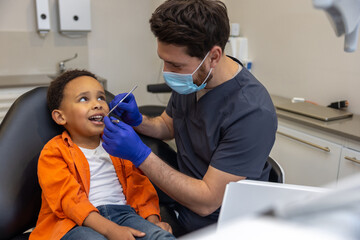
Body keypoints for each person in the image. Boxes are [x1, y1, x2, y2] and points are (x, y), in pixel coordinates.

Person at [102, 0, 277, 235]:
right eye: (163, 60)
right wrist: (138, 120)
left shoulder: (252, 111)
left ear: (213, 56)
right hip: (180, 204)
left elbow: (207, 201)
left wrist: (140, 155)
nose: (167, 71)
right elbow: (167, 125)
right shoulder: (194, 80)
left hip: (219, 224)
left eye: (175, 64)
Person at [29, 70, 175, 240]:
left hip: (125, 215)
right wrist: (110, 230)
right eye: (84, 99)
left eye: (101, 98)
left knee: (160, 237)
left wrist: (153, 222)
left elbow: (140, 187)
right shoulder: (53, 153)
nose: (97, 104)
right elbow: (69, 201)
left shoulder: (118, 145)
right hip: (72, 223)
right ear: (60, 117)